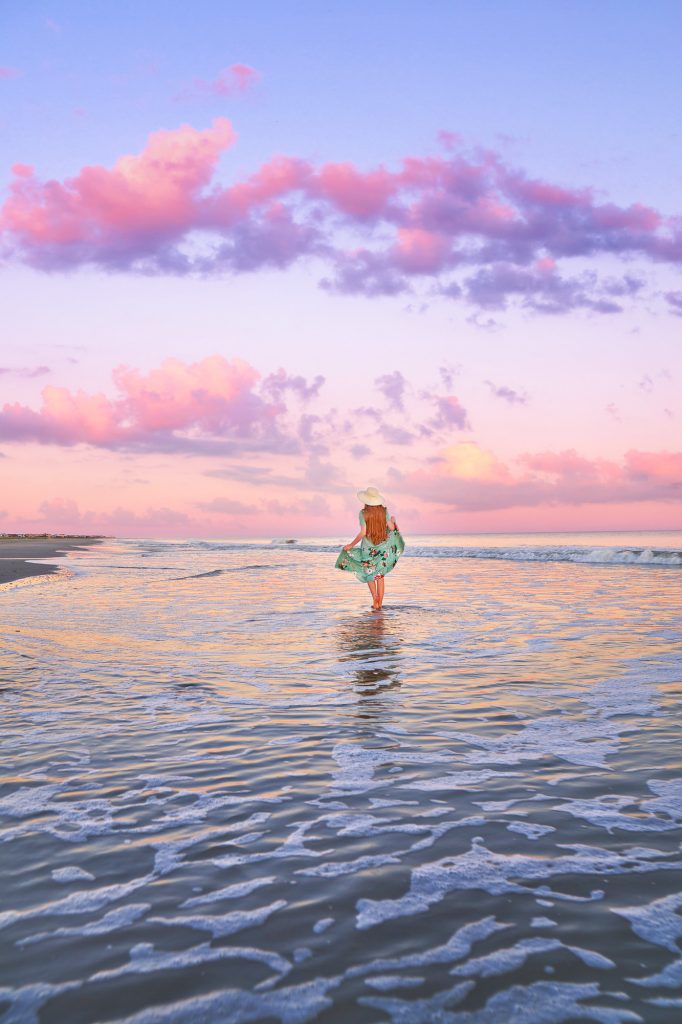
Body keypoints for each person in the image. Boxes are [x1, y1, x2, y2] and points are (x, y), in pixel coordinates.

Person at [335, 486, 404, 610]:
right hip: (382, 549)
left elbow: (363, 532)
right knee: (380, 577)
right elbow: (392, 529)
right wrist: (393, 520)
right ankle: (380, 604)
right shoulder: (384, 511)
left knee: (370, 575)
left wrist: (351, 545)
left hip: (367, 549)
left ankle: (375, 600)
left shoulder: (363, 513)